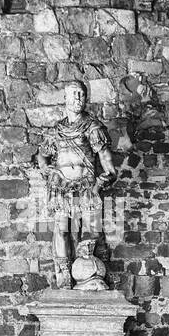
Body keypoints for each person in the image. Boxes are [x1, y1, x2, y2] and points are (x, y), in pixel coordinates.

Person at [34, 81, 117, 288]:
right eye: (74, 94)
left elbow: (106, 160)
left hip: (87, 186)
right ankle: (64, 275)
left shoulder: (92, 127)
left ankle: (96, 275)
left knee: (93, 232)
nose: (78, 98)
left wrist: (105, 178)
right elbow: (42, 157)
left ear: (86, 98)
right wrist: (47, 171)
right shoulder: (56, 131)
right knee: (62, 230)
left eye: (81, 94)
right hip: (62, 187)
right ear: (65, 98)